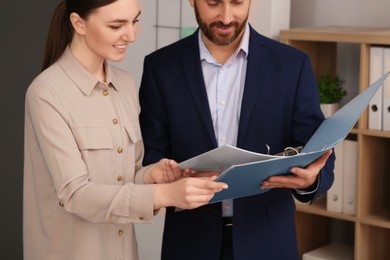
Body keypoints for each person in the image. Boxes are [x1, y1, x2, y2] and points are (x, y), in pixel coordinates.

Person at [23, 1, 228, 259]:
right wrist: (164, 195)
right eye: (116, 25)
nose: (130, 35)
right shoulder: (47, 93)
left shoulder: (126, 85)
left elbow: (125, 177)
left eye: (135, 21)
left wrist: (154, 175)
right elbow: (76, 194)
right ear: (78, 23)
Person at [139, 0, 335, 259]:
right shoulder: (160, 67)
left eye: (237, 2)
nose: (226, 16)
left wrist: (310, 179)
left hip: (268, 241)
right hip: (189, 242)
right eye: (213, 3)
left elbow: (318, 153)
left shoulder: (292, 65)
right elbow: (151, 155)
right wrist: (166, 177)